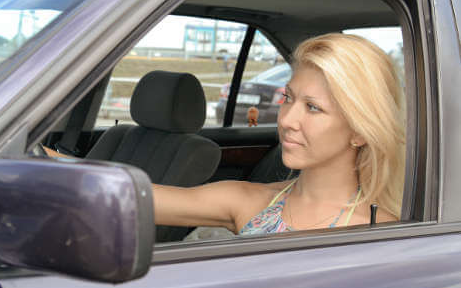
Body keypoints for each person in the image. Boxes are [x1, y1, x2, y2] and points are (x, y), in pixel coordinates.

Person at [153, 33, 405, 235]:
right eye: (288, 98)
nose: (286, 119)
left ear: (359, 132)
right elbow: (135, 200)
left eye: (313, 107)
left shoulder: (382, 232)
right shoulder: (253, 203)